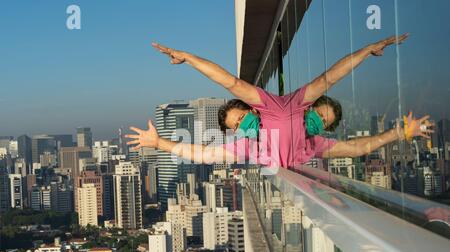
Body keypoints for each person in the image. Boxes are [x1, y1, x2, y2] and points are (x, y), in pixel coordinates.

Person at [126, 34, 433, 171]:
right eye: (236, 125)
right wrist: (160, 143)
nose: (242, 124)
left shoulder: (285, 106)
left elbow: (358, 145)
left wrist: (367, 51)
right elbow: (203, 154)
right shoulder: (249, 147)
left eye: (322, 121)